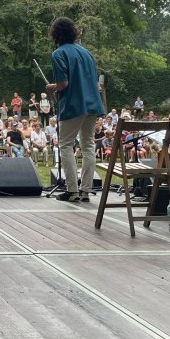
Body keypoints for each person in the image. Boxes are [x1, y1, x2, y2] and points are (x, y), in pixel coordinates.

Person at [45, 17, 105, 202]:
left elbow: (63, 83)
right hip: (93, 104)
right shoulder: (87, 53)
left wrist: (51, 88)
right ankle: (86, 190)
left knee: (65, 145)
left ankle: (72, 191)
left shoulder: (58, 54)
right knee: (88, 145)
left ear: (55, 34)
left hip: (73, 105)